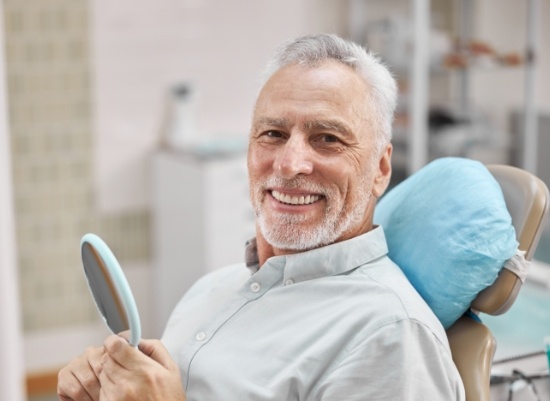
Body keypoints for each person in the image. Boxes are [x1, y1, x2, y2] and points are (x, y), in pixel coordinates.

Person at [58, 33, 465, 401]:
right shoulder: (209, 289)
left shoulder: (389, 335)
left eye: (327, 139)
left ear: (379, 168)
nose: (289, 164)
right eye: (273, 134)